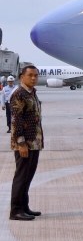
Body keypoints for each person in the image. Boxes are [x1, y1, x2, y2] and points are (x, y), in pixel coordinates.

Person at [9, 66, 43, 221]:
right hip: (25, 143)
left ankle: (24, 206)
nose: (34, 78)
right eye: (30, 75)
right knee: (21, 176)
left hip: (34, 142)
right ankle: (15, 210)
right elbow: (16, 120)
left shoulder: (32, 92)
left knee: (28, 176)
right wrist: (21, 143)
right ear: (22, 76)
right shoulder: (19, 94)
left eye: (36, 75)